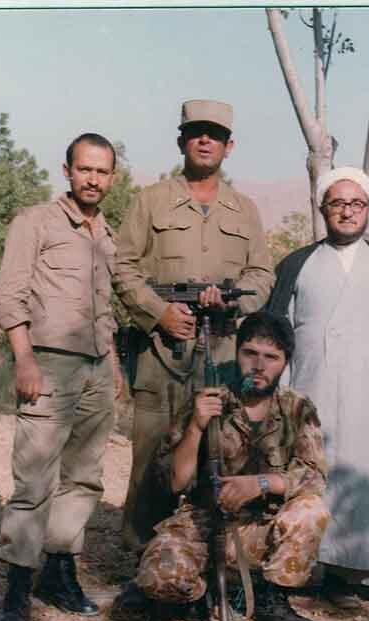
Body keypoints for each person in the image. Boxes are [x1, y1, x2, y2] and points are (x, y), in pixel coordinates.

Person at [112, 99, 274, 555]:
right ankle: (145, 563)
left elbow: (263, 275)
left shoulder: (245, 210)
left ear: (229, 146)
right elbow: (123, 267)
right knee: (152, 459)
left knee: (219, 455)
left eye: (215, 135)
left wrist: (234, 303)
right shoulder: (150, 201)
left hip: (222, 354)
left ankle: (208, 561)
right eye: (197, 132)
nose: (206, 141)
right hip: (162, 354)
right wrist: (158, 312)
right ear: (181, 141)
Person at [265, 167, 369, 606]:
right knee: (311, 475)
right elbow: (277, 337)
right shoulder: (298, 264)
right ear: (322, 209)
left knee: (363, 475)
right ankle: (299, 567)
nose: (347, 211)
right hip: (310, 391)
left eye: (356, 203)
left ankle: (350, 575)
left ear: (368, 210)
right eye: (337, 203)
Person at [114, 312, 330, 621]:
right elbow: (176, 481)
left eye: (271, 357)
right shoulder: (209, 400)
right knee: (156, 579)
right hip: (207, 521)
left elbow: (314, 475)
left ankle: (272, 598)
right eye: (250, 353)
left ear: (285, 362)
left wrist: (260, 483)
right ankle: (205, 597)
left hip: (264, 525)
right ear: (237, 352)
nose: (259, 365)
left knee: (311, 510)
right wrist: (196, 426)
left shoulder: (297, 407)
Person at [0, 133, 124, 621]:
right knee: (34, 479)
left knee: (84, 477)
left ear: (112, 178)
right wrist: (24, 357)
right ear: (67, 171)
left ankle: (59, 573)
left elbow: (104, 307)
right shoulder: (35, 222)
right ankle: (17, 589)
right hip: (48, 363)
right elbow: (10, 293)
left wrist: (112, 364)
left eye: (102, 172)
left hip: (97, 367)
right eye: (85, 169)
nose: (93, 179)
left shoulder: (107, 234)